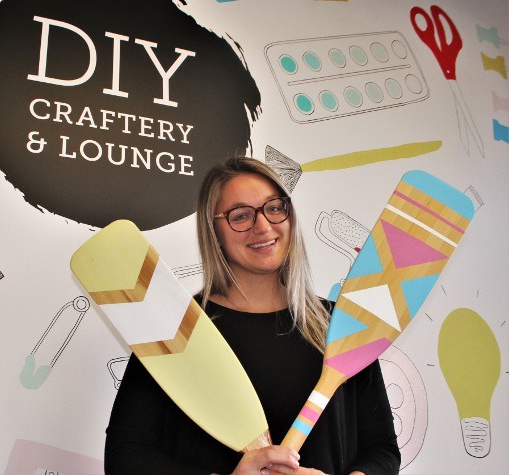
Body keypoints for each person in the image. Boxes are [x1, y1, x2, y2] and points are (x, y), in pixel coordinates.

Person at [104, 156, 400, 474]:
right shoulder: (176, 328)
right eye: (240, 215)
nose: (262, 226)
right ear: (214, 231)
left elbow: (382, 450)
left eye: (274, 208)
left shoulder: (340, 324)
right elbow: (125, 456)